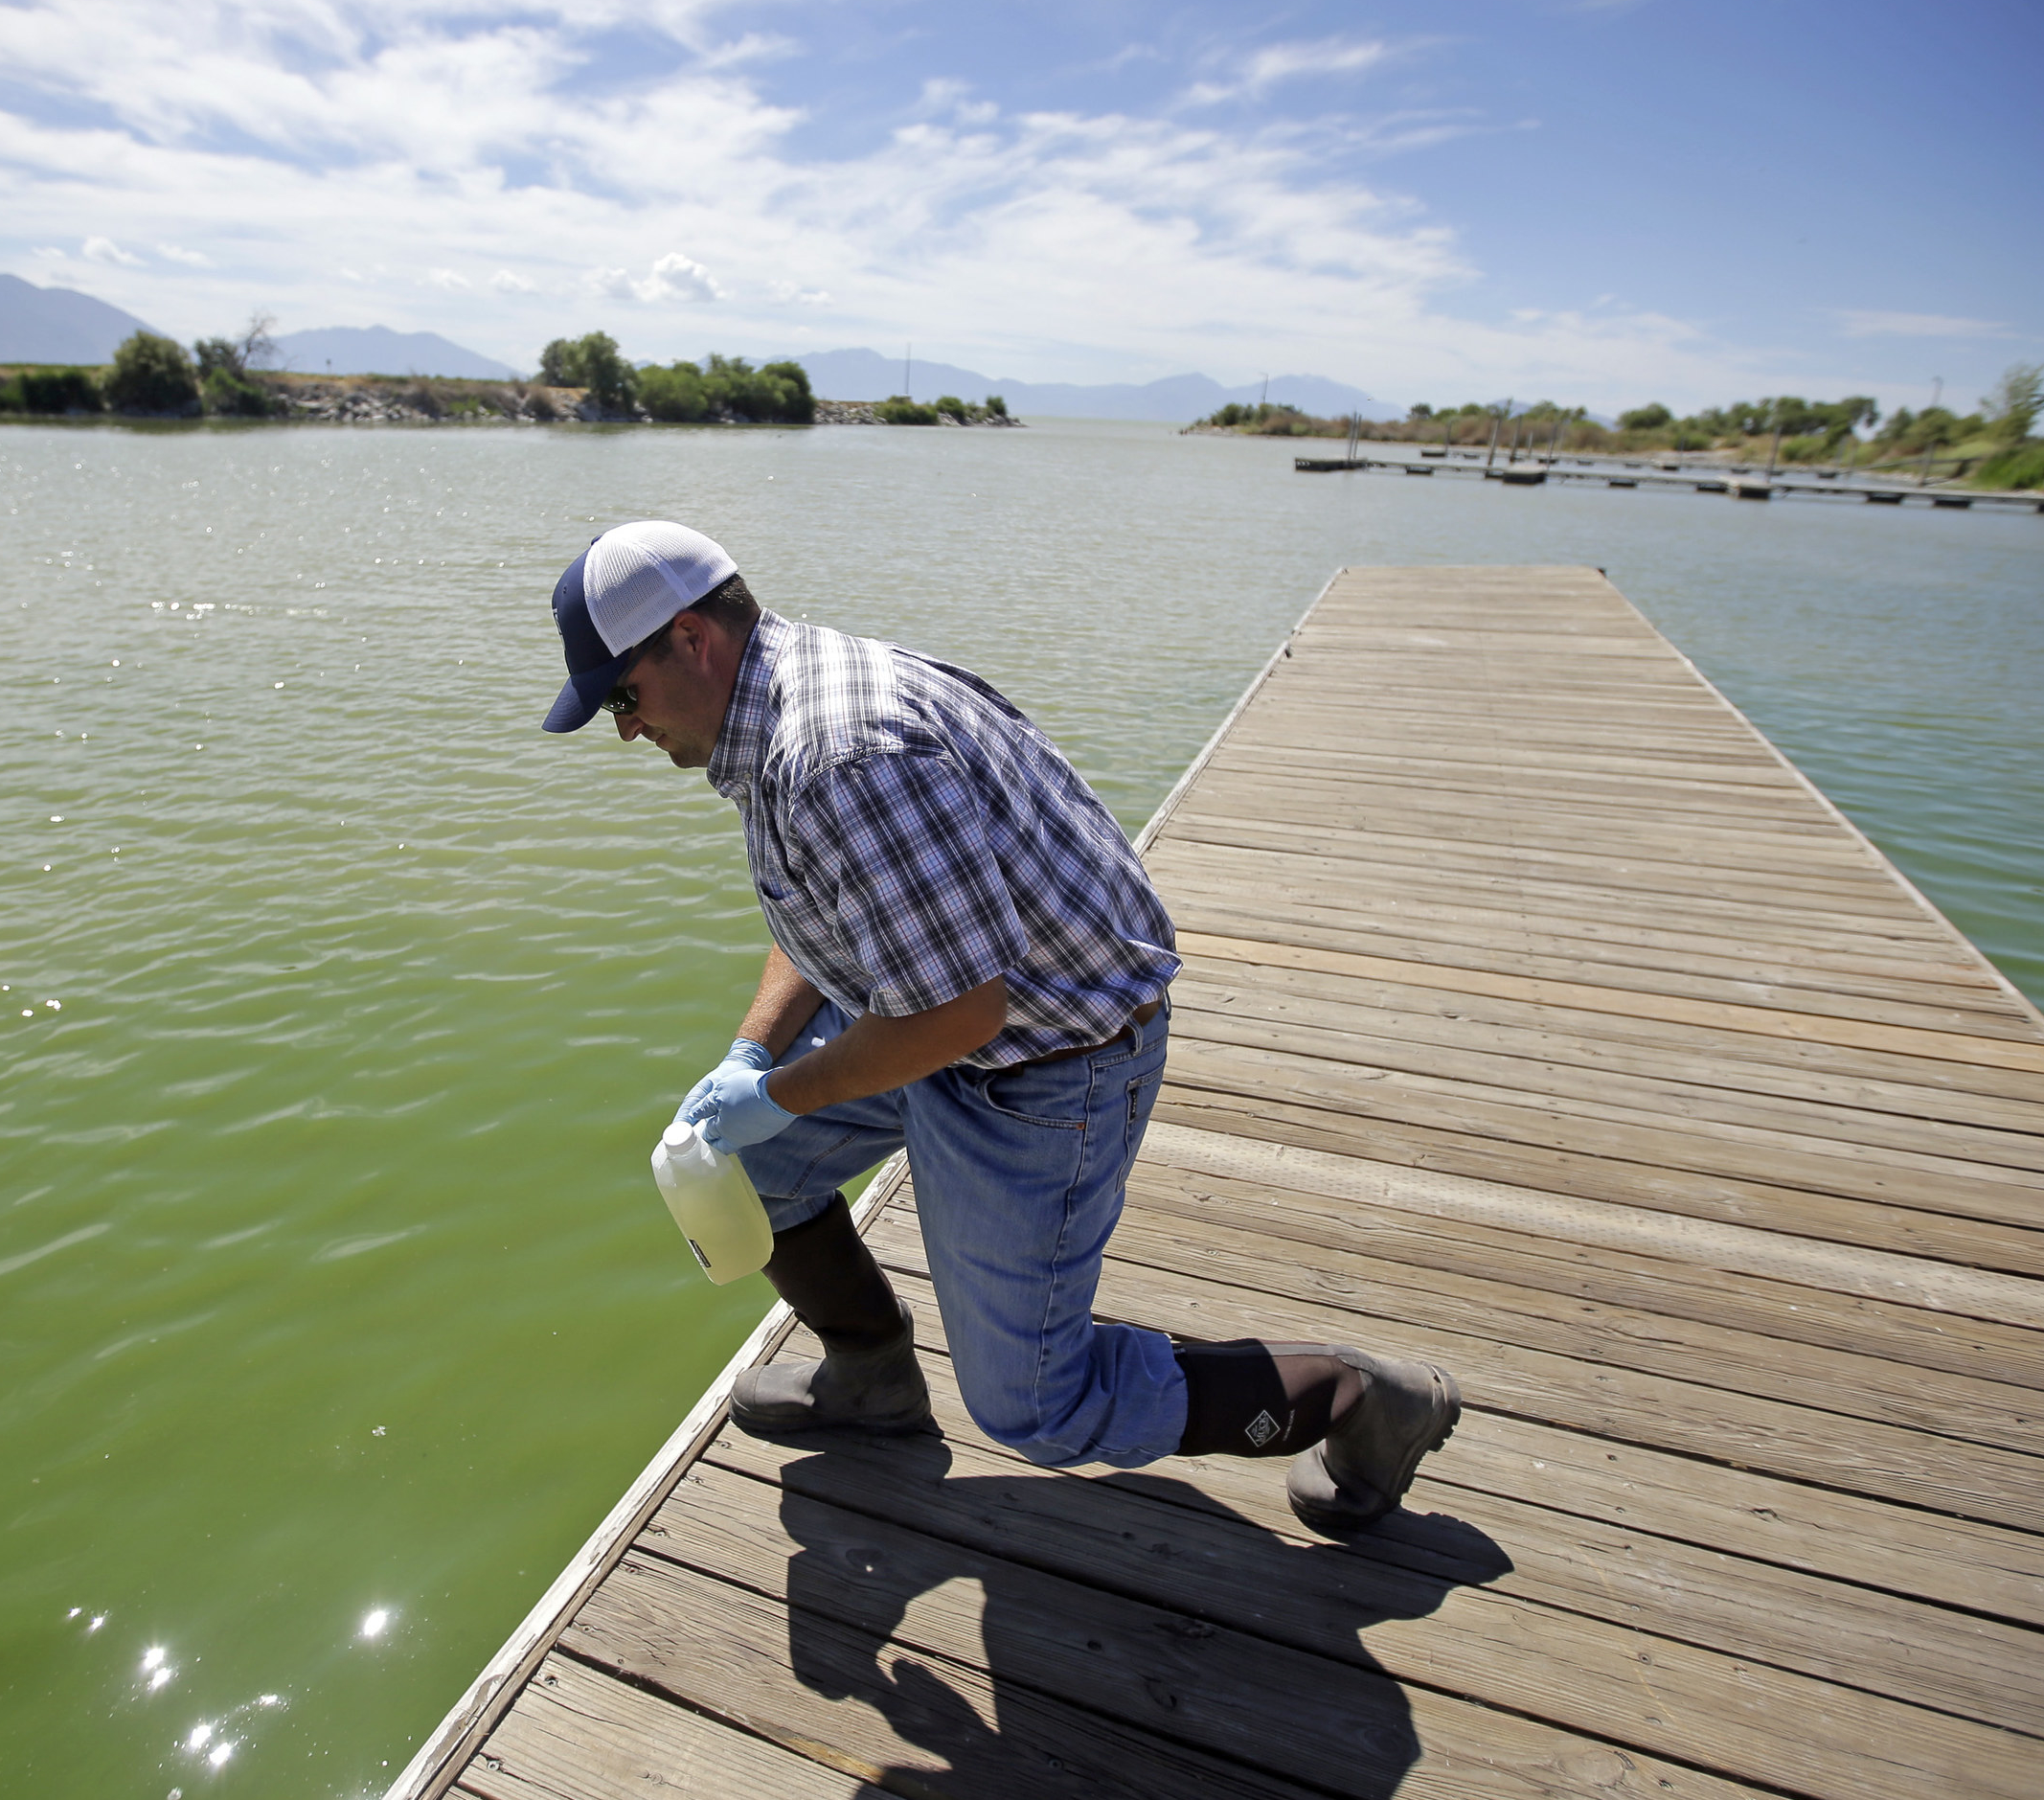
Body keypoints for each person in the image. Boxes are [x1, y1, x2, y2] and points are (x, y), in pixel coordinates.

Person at [539, 519, 1459, 1529]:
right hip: (939, 1013)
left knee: (1037, 1407)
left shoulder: (838, 753)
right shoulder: (773, 707)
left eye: (621, 697)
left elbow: (959, 1016)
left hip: (1045, 1061)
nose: (624, 730)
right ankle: (874, 1378)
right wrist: (752, 1054)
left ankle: (1364, 1400)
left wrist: (780, 1094)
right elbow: (825, 917)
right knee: (749, 1163)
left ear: (691, 639)